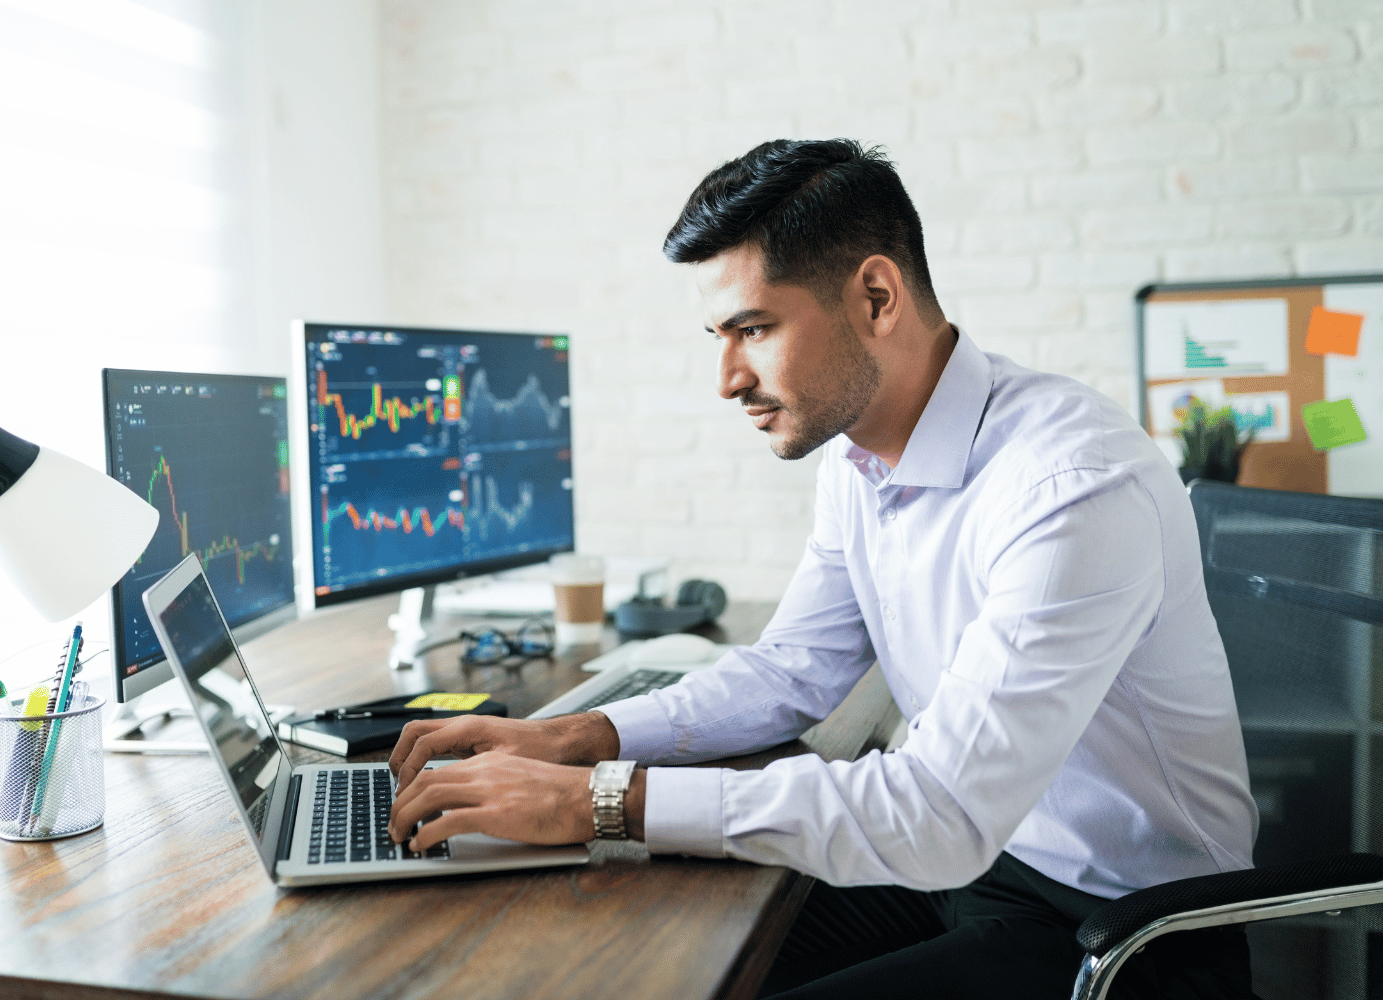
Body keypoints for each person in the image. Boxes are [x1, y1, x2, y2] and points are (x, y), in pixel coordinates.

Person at [386, 139, 1259, 999]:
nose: (727, 378)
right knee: (640, 948)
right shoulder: (860, 461)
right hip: (976, 873)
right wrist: (575, 738)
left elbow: (938, 814)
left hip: (1128, 937)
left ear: (876, 296)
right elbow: (793, 672)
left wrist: (599, 801)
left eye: (753, 330)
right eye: (717, 336)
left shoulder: (1070, 486)